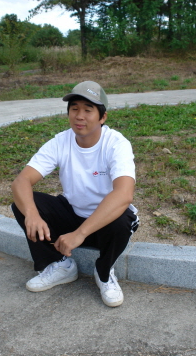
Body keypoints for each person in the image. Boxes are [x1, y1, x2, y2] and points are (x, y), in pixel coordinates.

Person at [10, 81, 139, 307]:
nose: (79, 116)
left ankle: (104, 273)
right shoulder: (60, 142)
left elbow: (124, 193)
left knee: (122, 219)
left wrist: (80, 234)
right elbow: (21, 181)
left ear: (102, 117)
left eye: (88, 110)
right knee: (25, 203)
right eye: (74, 109)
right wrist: (32, 214)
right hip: (72, 214)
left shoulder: (116, 144)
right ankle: (60, 265)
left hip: (104, 223)